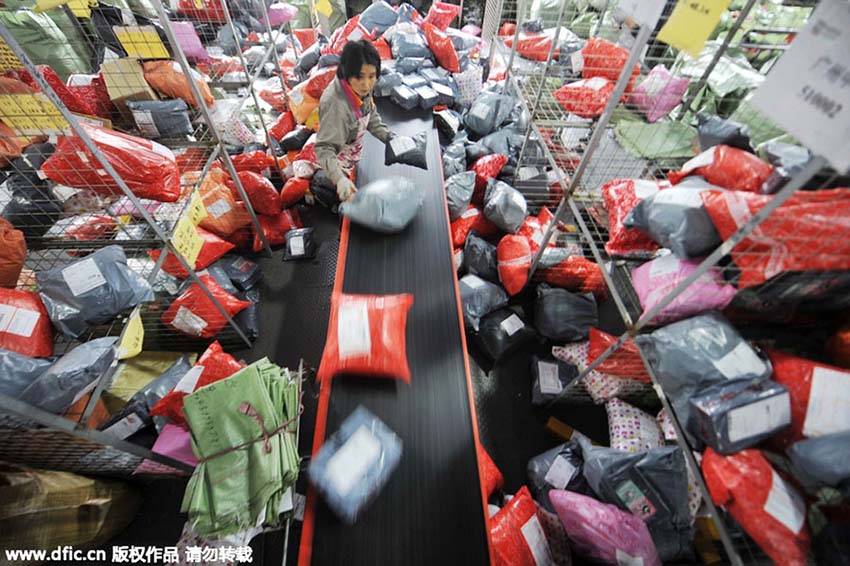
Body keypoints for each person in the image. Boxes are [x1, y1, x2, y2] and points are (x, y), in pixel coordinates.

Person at [315, 40, 394, 204]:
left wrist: (389, 138)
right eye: (359, 77)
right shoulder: (336, 106)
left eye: (371, 76)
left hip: (352, 153)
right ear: (347, 73)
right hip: (335, 161)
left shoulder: (360, 90)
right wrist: (339, 179)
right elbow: (324, 149)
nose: (366, 84)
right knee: (347, 204)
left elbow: (370, 115)